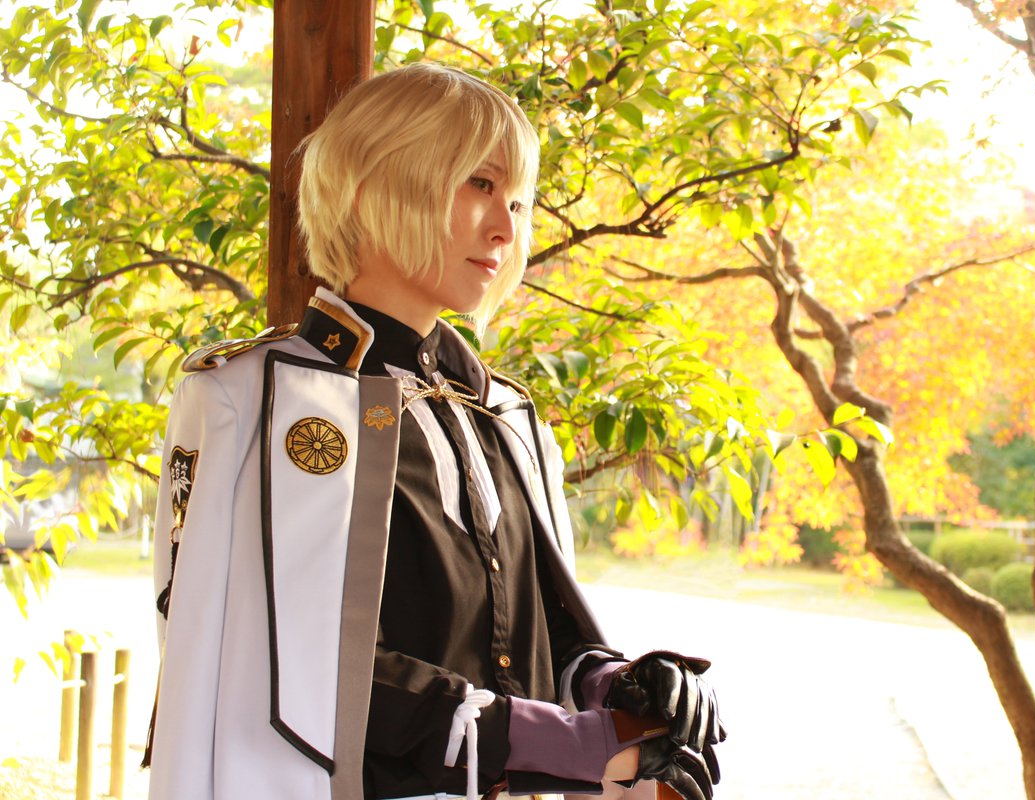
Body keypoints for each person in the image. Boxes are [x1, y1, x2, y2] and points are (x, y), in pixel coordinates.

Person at [147, 63, 723, 800]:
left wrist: (620, 687)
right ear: (372, 184)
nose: (507, 228)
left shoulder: (502, 415)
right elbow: (286, 664)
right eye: (480, 184)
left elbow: (532, 634)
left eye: (518, 200)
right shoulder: (251, 399)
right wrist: (572, 743)